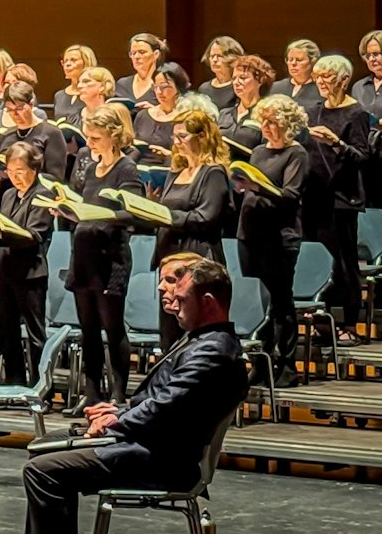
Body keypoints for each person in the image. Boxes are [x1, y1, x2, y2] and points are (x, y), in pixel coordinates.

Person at [4, 255, 247, 534]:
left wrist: (116, 423)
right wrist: (117, 411)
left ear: (207, 302)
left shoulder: (212, 351)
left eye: (181, 296)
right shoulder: (204, 340)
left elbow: (166, 408)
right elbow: (165, 402)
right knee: (45, 449)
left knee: (43, 472)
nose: (172, 302)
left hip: (165, 460)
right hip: (157, 444)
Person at [57, 108, 143, 404]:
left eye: (96, 137)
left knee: (113, 327)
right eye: (88, 137)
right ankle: (91, 393)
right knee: (88, 330)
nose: (90, 143)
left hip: (110, 257)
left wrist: (101, 215)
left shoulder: (126, 169)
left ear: (113, 137)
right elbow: (82, 204)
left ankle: (119, 393)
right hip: (83, 255)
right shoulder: (91, 169)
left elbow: (132, 210)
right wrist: (68, 209)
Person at [236, 95, 310, 386]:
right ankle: (261, 363)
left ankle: (286, 363)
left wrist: (259, 187)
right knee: (256, 301)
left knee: (279, 302)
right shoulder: (257, 152)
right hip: (250, 234)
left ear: (288, 124)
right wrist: (243, 186)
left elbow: (291, 197)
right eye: (263, 121)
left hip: (279, 238)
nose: (266, 127)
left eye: (272, 122)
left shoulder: (297, 153)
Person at [153, 109, 232, 351]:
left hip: (198, 257)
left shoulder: (214, 172)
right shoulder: (176, 172)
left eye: (182, 137)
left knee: (194, 326)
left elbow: (206, 217)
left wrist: (167, 216)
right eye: (174, 137)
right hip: (170, 256)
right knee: (169, 330)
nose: (176, 143)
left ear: (202, 136)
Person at [306, 54, 370, 346]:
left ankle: (348, 324)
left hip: (341, 199)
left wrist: (336, 143)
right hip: (313, 197)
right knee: (316, 262)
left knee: (342, 263)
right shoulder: (314, 110)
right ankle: (321, 323)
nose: (321, 82)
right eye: (317, 76)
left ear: (344, 79)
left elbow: (362, 156)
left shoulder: (355, 112)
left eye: (327, 77)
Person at [0, 143, 58, 382]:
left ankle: (40, 386)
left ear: (34, 169)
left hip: (30, 273)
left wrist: (1, 235)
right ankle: (14, 382)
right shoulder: (8, 194)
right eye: (10, 170)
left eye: (20, 170)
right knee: (5, 332)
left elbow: (35, 235)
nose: (14, 176)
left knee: (35, 333)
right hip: (6, 270)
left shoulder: (43, 195)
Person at [271, 39, 324, 109]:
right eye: (290, 59)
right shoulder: (275, 88)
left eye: (299, 60)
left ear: (313, 61)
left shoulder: (322, 89)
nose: (293, 63)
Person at [118, 33, 167, 106]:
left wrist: (154, 111)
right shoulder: (123, 84)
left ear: (156, 54)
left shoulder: (164, 85)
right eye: (133, 53)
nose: (136, 57)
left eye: (142, 52)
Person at [200, 35, 245, 113]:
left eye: (219, 56)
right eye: (212, 56)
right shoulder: (203, 88)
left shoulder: (239, 86)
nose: (214, 60)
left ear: (233, 58)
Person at [53, 45, 97, 122]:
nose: (68, 64)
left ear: (87, 62)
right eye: (65, 61)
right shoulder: (59, 95)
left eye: (73, 60)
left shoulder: (95, 92)